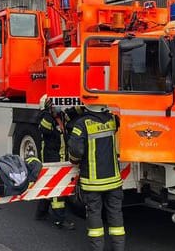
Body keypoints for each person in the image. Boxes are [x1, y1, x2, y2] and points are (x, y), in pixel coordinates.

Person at [68, 104, 125, 251]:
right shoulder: (112, 120)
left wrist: (73, 160)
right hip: (113, 180)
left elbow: (76, 151)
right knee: (116, 215)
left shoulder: (82, 124)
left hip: (93, 182)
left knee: (94, 215)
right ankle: (118, 248)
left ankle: (97, 248)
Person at [34, 94, 75, 230]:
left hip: (61, 155)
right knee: (58, 188)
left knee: (48, 185)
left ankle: (41, 213)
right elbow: (45, 129)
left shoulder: (61, 116)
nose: (59, 107)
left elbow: (71, 116)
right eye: (55, 104)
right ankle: (60, 219)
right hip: (51, 156)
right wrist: (49, 113)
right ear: (48, 106)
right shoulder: (45, 118)